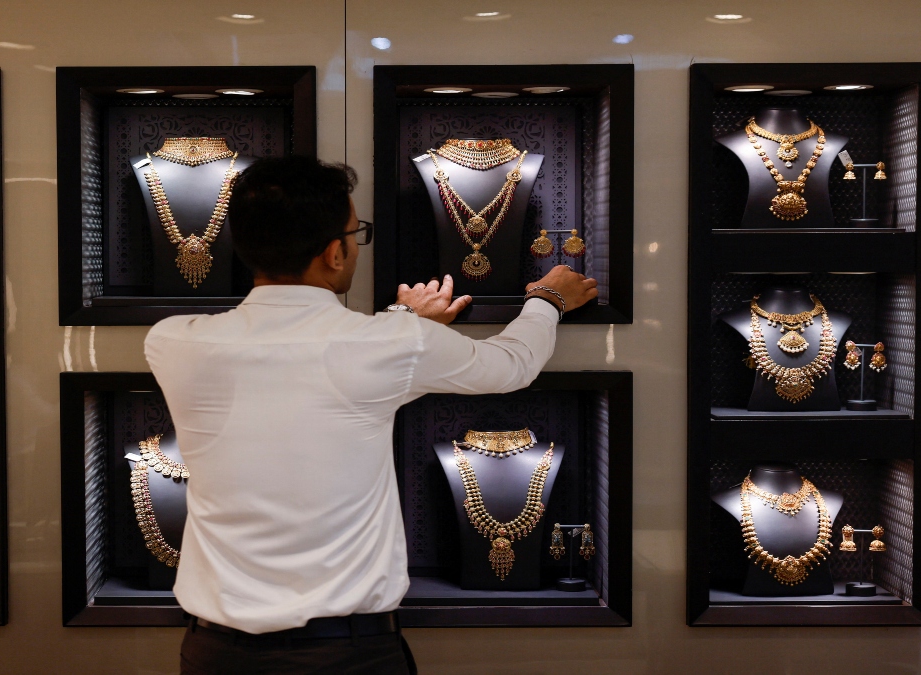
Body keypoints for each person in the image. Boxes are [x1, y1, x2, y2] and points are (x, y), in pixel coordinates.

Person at [144, 156, 597, 675]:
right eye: (355, 233)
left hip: (215, 656)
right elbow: (511, 365)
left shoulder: (173, 342)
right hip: (349, 655)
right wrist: (546, 301)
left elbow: (308, 369)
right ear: (336, 252)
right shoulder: (390, 345)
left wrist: (404, 325)